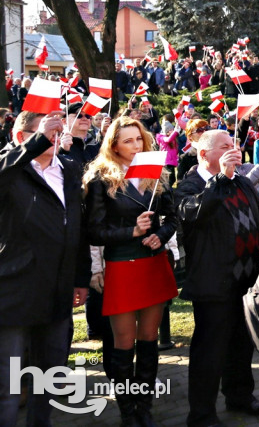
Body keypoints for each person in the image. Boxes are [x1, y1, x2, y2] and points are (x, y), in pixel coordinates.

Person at [176, 129, 259, 427]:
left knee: (241, 344)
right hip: (214, 284)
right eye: (225, 147)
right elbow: (193, 214)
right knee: (210, 350)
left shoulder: (243, 182)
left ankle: (240, 397)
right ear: (204, 154)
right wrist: (221, 178)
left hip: (246, 280)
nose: (233, 151)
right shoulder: (189, 185)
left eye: (234, 145)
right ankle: (202, 414)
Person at [84, 116, 180, 427]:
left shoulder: (155, 172)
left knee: (149, 338)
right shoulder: (101, 179)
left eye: (139, 139)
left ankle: (144, 407)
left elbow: (173, 219)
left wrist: (159, 236)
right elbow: (94, 232)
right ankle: (127, 412)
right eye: (128, 140)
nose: (136, 145)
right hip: (122, 266)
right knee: (123, 343)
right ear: (113, 145)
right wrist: (132, 233)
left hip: (153, 264)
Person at [0, 111, 89, 427]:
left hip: (58, 288)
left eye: (55, 132)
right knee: (7, 385)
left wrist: (80, 277)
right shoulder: (11, 168)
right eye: (45, 133)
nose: (53, 137)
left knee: (46, 377)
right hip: (13, 290)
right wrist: (35, 143)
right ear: (21, 137)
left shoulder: (70, 169)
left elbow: (77, 227)